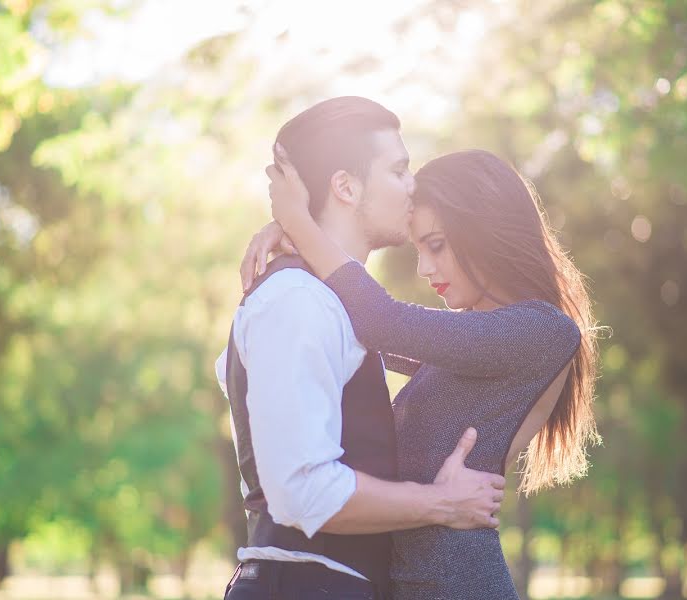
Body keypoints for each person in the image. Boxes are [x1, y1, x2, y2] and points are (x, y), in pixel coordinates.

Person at [243, 146, 600, 599]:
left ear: (485, 229)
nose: (425, 268)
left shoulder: (542, 331)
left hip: (460, 587)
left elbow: (382, 322)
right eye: (419, 249)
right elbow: (362, 330)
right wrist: (303, 242)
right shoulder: (474, 348)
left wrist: (298, 221)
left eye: (436, 245)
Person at [216, 97, 506, 600]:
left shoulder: (332, 304)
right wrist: (440, 503)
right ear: (346, 186)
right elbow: (303, 491)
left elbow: (448, 349)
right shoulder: (298, 301)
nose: (412, 184)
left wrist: (296, 228)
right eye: (398, 170)